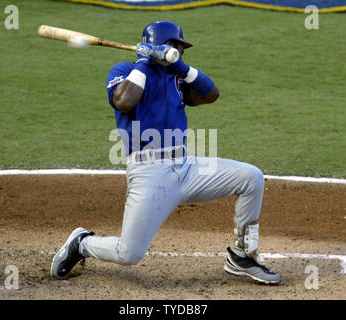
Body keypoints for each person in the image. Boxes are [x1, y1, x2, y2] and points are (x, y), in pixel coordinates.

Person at [51, 21, 280, 284]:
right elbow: (124, 101)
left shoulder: (177, 77)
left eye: (182, 49)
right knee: (129, 253)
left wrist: (180, 67)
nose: (181, 52)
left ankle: (241, 257)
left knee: (251, 177)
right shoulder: (124, 71)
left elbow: (212, 94)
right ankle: (82, 243)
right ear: (159, 45)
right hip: (149, 174)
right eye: (177, 47)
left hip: (186, 167)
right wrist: (144, 62)